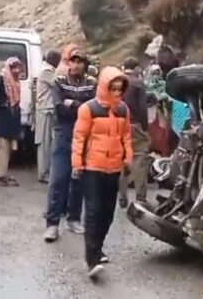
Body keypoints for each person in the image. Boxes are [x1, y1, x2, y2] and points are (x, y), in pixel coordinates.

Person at [72, 66, 133, 280]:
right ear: (105, 87)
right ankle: (92, 259)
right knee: (93, 212)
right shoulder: (88, 109)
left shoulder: (123, 110)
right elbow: (79, 137)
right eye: (113, 88)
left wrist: (128, 157)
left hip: (114, 168)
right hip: (92, 167)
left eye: (120, 89)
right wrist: (77, 164)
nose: (116, 92)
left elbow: (126, 136)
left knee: (108, 213)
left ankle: (97, 248)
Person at [44, 49, 96, 242]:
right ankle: (52, 224)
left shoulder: (91, 83)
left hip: (84, 136)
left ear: (84, 64)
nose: (75, 65)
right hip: (63, 134)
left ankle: (73, 219)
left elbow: (93, 108)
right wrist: (79, 106)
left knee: (79, 178)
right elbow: (59, 107)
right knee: (58, 178)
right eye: (72, 61)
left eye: (79, 61)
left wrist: (71, 103)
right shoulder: (59, 81)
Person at [0, 57, 24, 186]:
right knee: (1, 148)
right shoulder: (1, 79)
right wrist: (2, 103)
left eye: (18, 68)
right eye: (13, 68)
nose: (16, 70)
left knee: (8, 149)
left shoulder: (15, 82)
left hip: (11, 119)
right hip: (2, 120)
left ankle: (4, 174)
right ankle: (0, 176)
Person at [118, 57, 150, 208]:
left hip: (118, 124)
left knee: (121, 160)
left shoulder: (117, 82)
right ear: (136, 68)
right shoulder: (138, 83)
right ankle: (140, 197)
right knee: (139, 158)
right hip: (134, 123)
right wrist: (145, 128)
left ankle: (122, 196)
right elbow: (142, 108)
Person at [35, 50, 61, 183]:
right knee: (45, 143)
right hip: (46, 111)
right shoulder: (47, 71)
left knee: (49, 143)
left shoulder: (46, 69)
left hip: (47, 110)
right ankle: (43, 173)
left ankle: (46, 171)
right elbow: (58, 84)